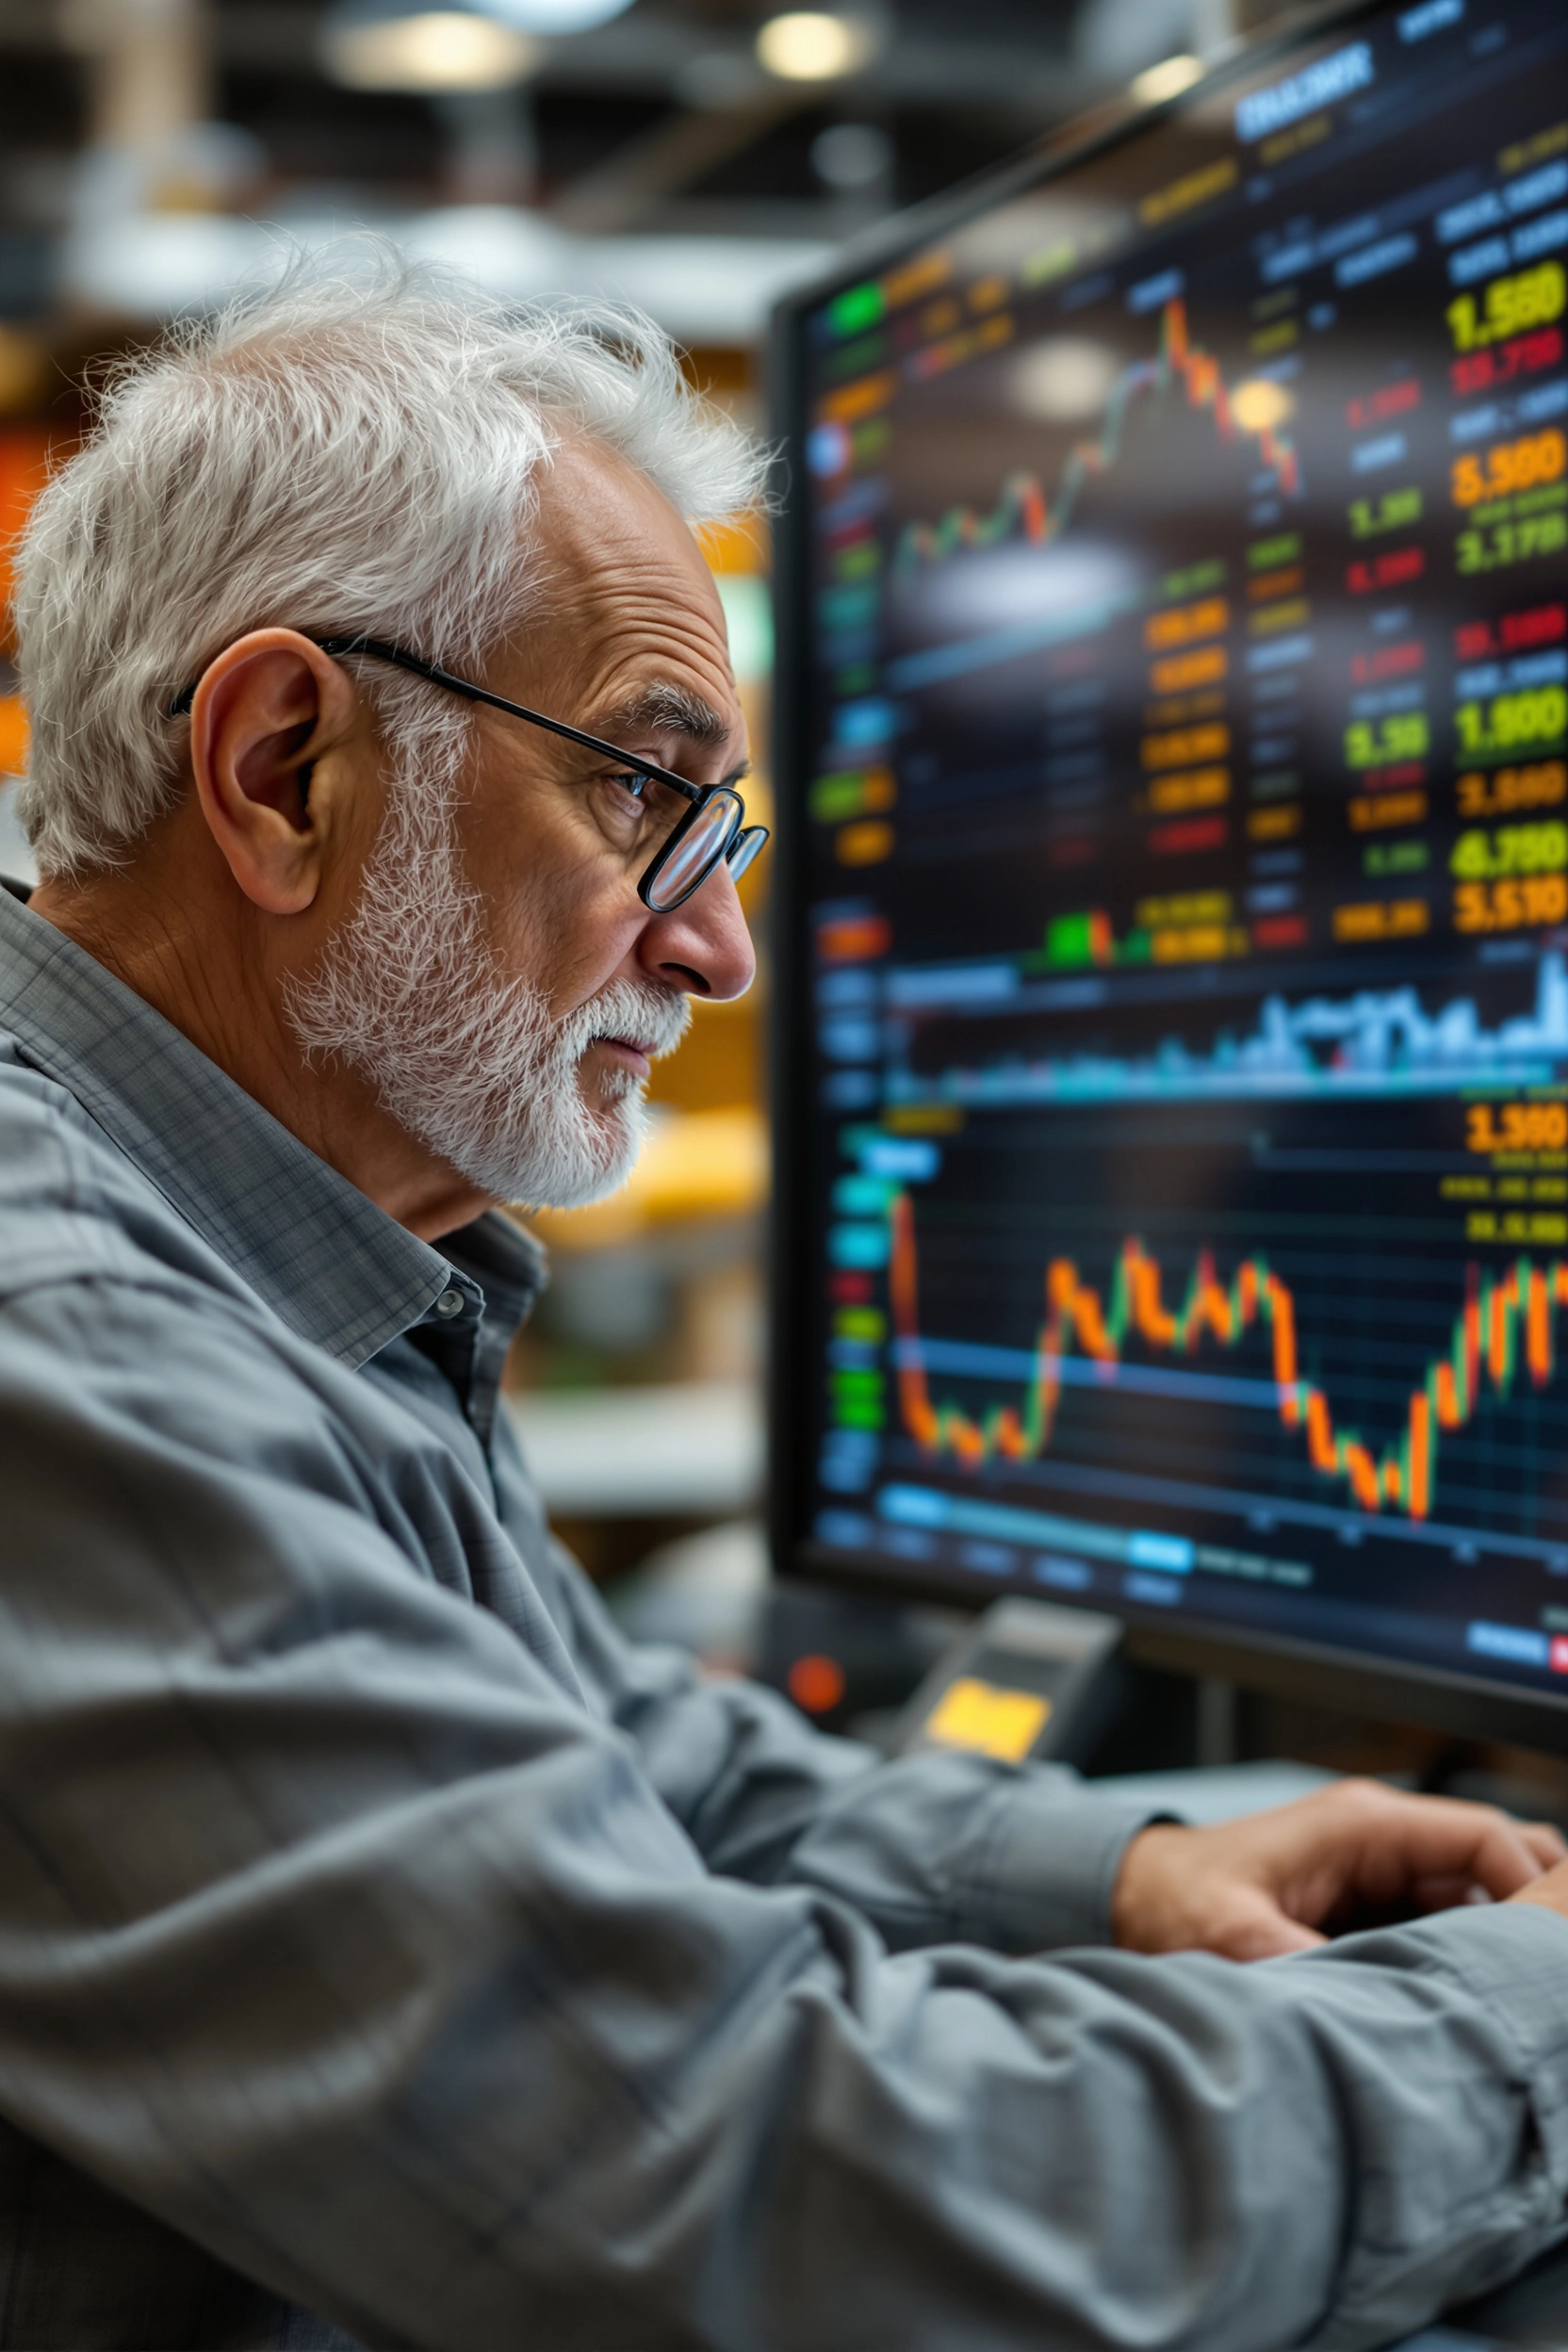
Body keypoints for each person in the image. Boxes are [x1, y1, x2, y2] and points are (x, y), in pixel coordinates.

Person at [0, 250, 1564, 2352]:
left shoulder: (265, 1237)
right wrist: (1531, 2028)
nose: (719, 949)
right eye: (646, 793)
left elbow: (586, 1745)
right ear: (285, 768)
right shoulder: (73, 1335)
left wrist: (1117, 1873)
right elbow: (756, 2183)